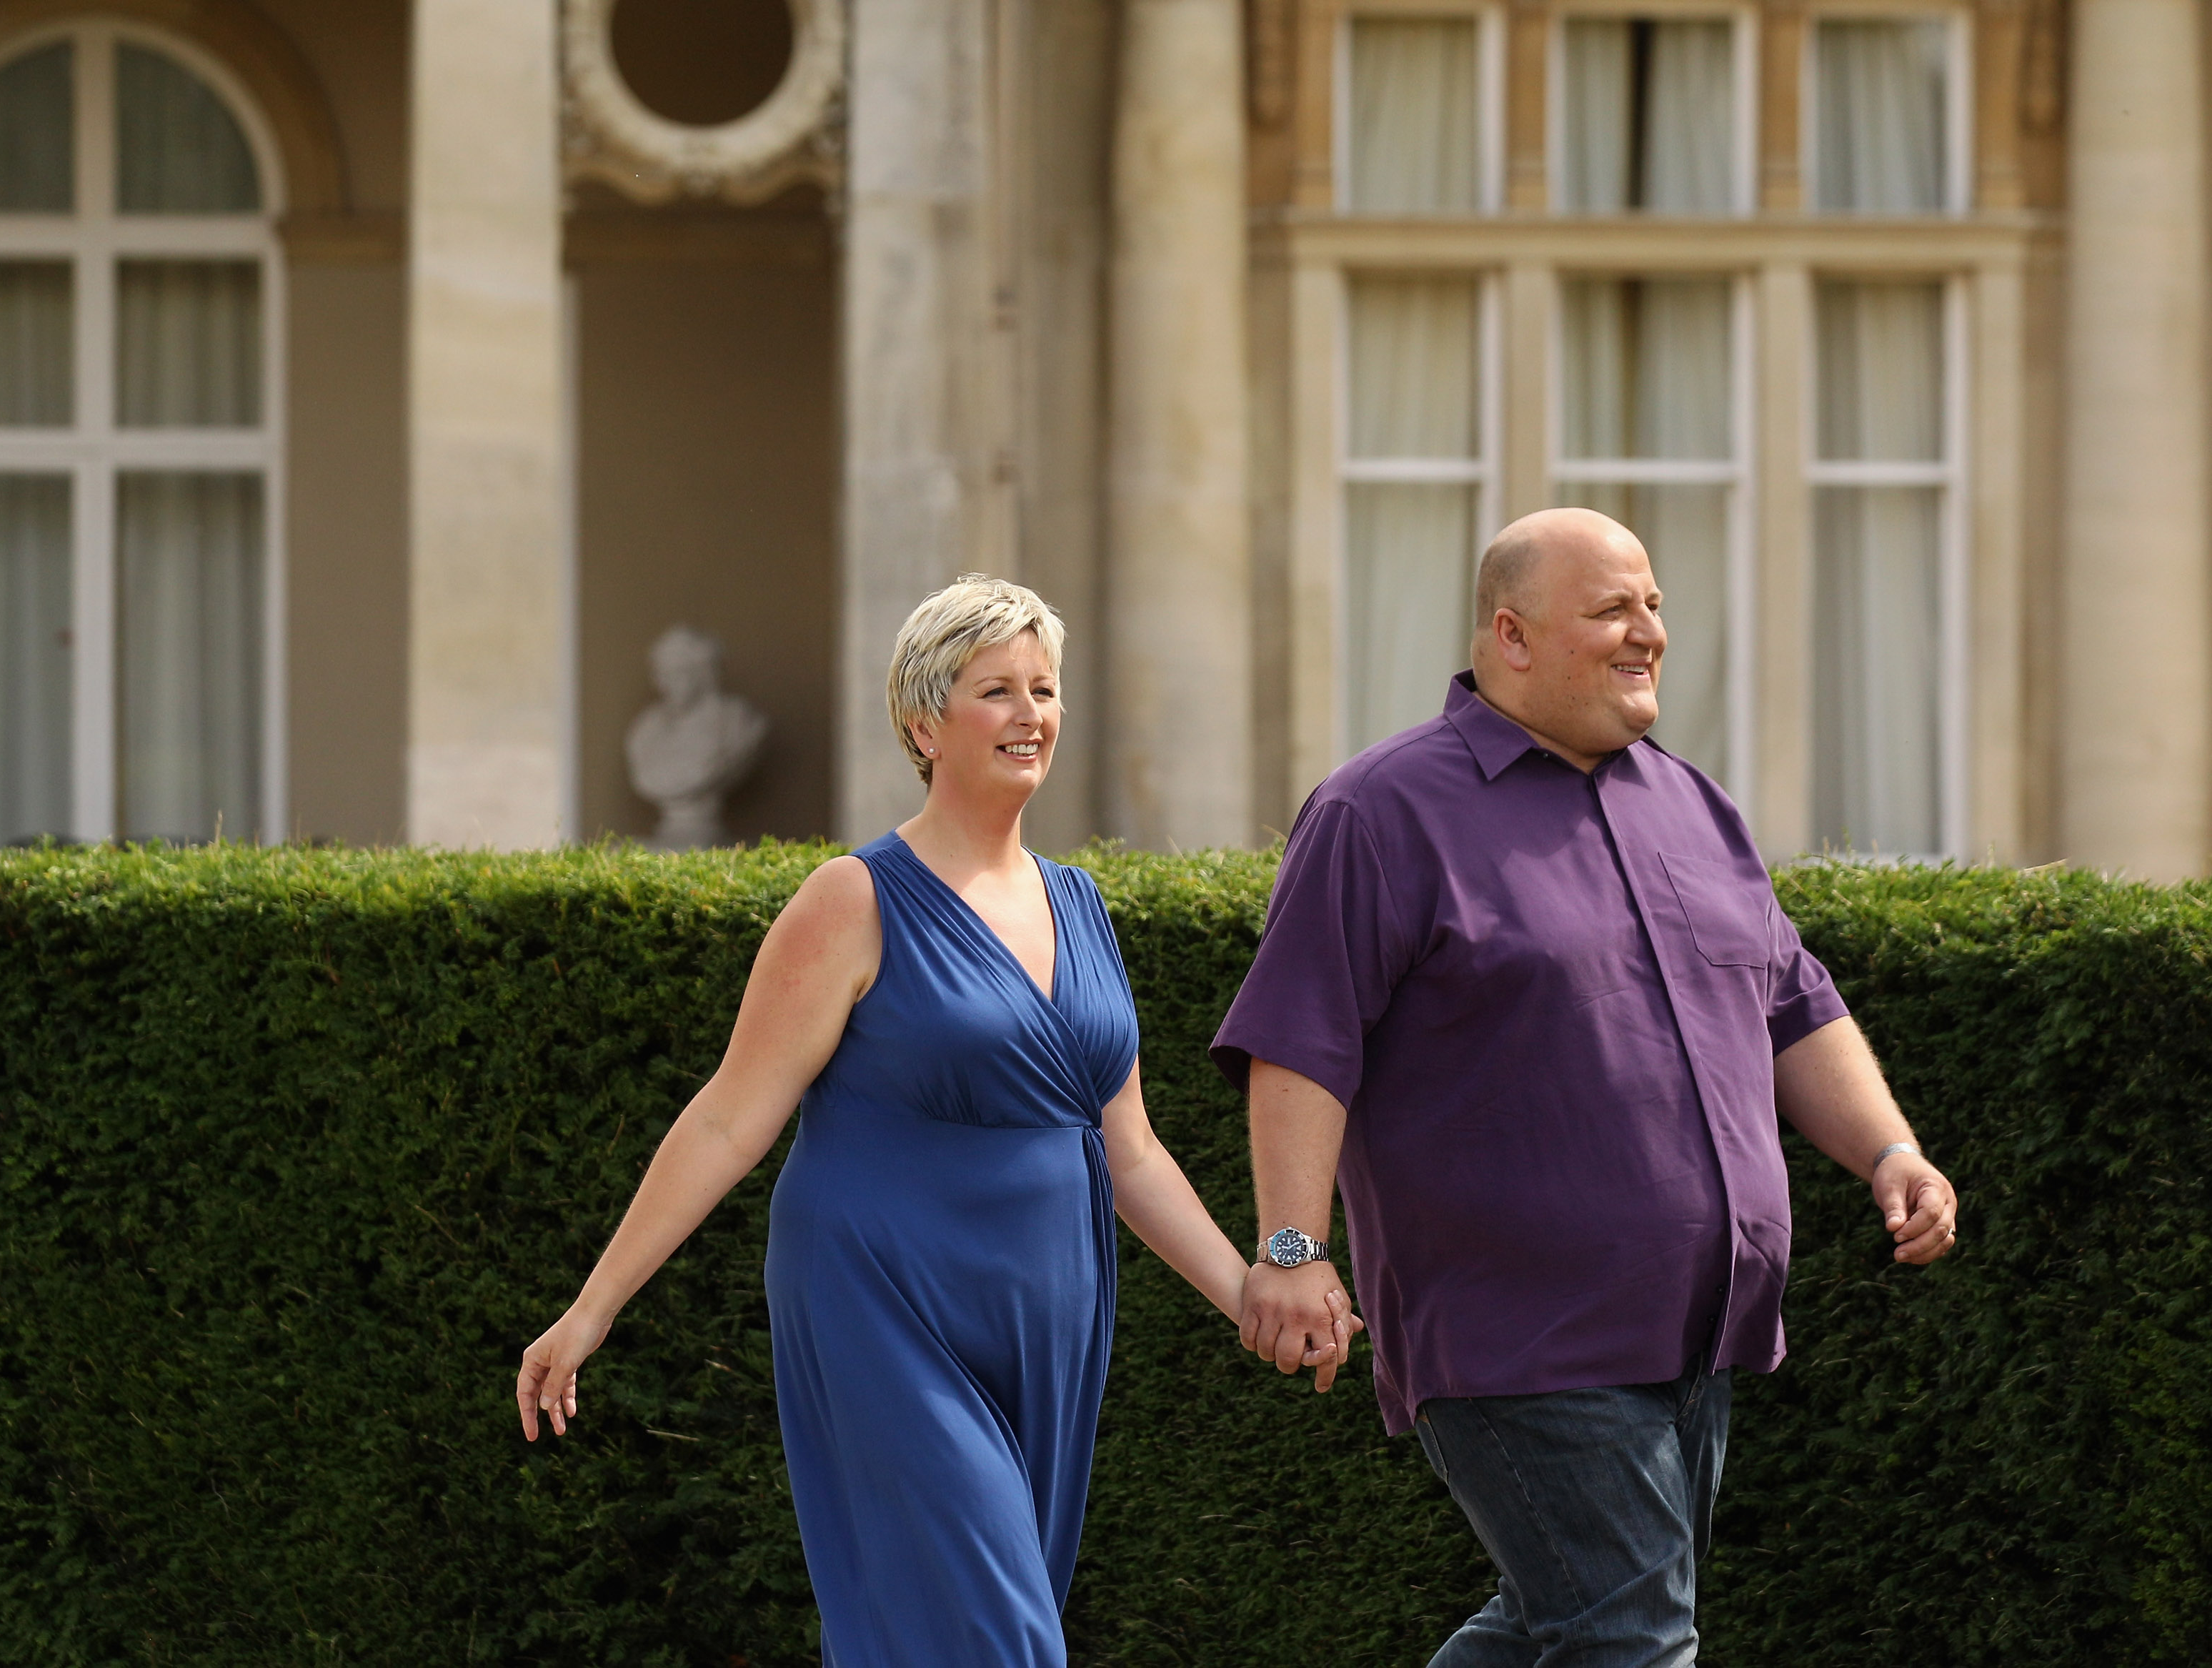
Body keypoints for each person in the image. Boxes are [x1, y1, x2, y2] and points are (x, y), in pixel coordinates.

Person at [517, 575, 1357, 1667]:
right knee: (994, 1637)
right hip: (883, 1303)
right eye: (995, 690)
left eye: (1045, 689)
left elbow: (1131, 1152)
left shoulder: (1082, 906)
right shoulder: (852, 899)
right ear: (924, 723)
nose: (1031, 714)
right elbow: (730, 1117)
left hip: (1049, 1316)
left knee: (950, 1634)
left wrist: (1252, 1289)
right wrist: (592, 1307)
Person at [1215, 508, 1960, 1666]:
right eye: (1614, 609)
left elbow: (1791, 1004)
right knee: (1632, 1635)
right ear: (1511, 635)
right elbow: (1302, 1042)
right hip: (1522, 1329)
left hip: (1698, 1326)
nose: (1649, 632)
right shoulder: (1380, 812)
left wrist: (1890, 1152)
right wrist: (1293, 1251)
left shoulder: (1694, 807)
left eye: (1654, 605)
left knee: (1562, 1623)